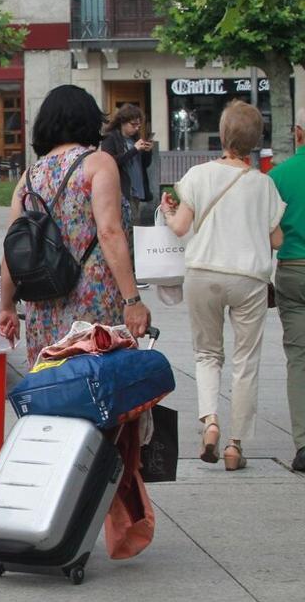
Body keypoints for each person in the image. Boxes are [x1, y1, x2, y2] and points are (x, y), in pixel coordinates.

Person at [161, 101, 285, 472]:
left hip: (204, 271)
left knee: (207, 354)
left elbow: (181, 228)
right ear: (255, 141)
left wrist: (169, 212)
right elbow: (276, 239)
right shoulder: (263, 184)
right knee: (246, 361)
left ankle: (210, 422)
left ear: (224, 133)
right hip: (248, 278)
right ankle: (235, 445)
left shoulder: (198, 176)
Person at [0, 84, 151, 367]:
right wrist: (132, 300)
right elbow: (109, 231)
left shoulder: (28, 177)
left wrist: (6, 306)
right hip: (93, 301)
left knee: (55, 392)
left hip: (42, 306)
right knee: (100, 390)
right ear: (89, 120)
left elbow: (13, 249)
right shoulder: (97, 163)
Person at [271, 108, 305, 473]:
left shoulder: (278, 176)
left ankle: (304, 444)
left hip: (294, 268)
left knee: (299, 357)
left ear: (298, 133)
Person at [100, 104, 154, 230]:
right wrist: (134, 150)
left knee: (135, 229)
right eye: (133, 124)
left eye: (139, 126)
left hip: (136, 192)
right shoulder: (111, 138)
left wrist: (147, 151)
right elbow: (110, 161)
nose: (136, 128)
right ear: (122, 122)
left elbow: (144, 165)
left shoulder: (135, 139)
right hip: (122, 191)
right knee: (126, 229)